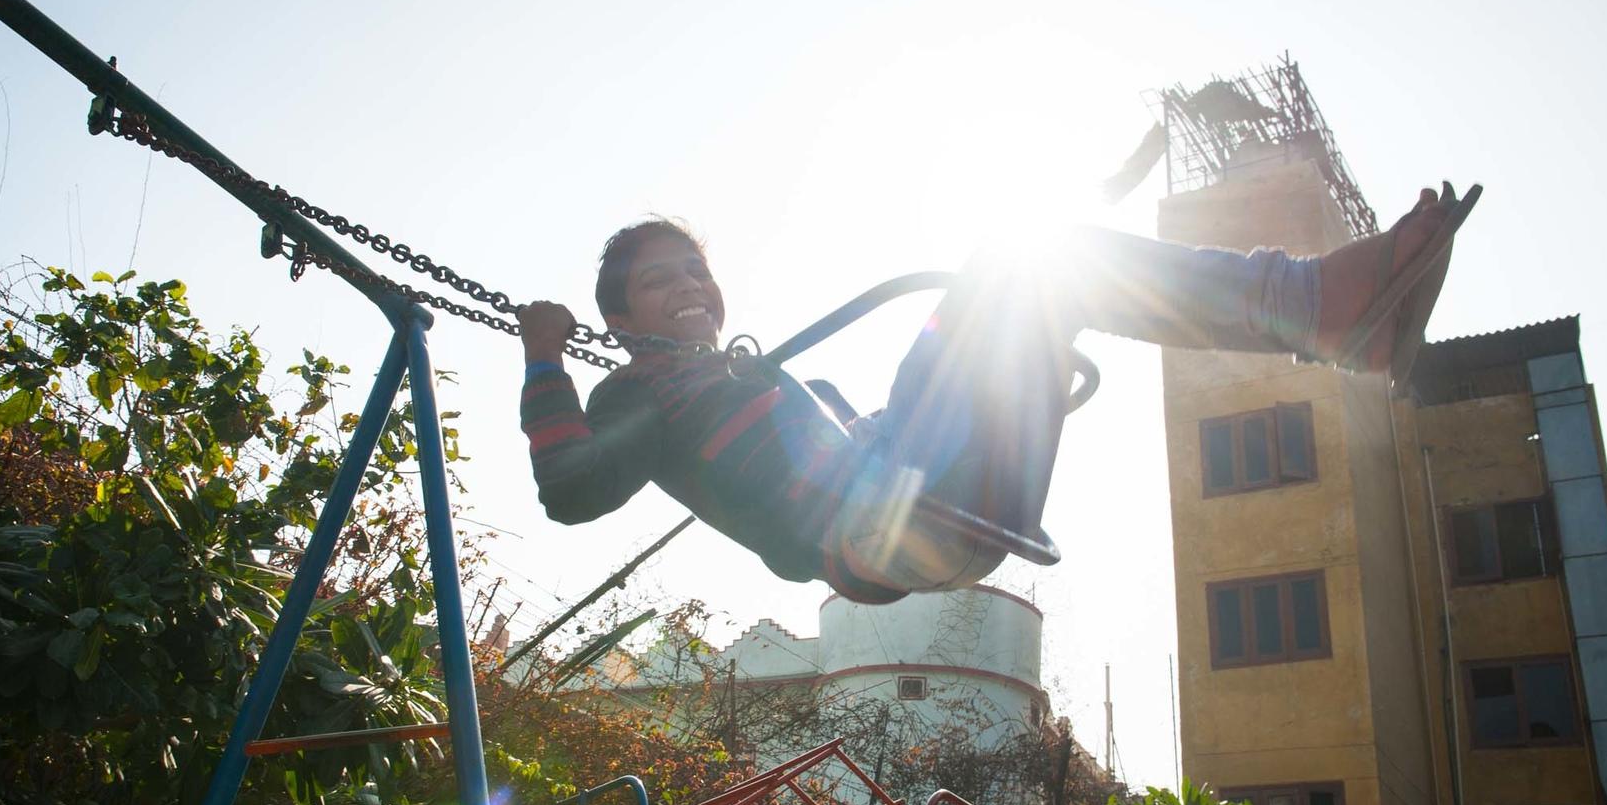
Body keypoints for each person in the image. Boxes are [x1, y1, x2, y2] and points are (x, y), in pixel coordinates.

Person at [517, 185, 1477, 604]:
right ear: (621, 322)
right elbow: (569, 486)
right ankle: (1320, 306)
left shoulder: (769, 381)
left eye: (695, 267)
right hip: (880, 514)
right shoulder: (641, 400)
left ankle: (1331, 311)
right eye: (659, 280)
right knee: (1026, 257)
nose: (687, 284)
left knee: (1044, 268)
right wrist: (545, 358)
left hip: (923, 489)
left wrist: (1008, 364)